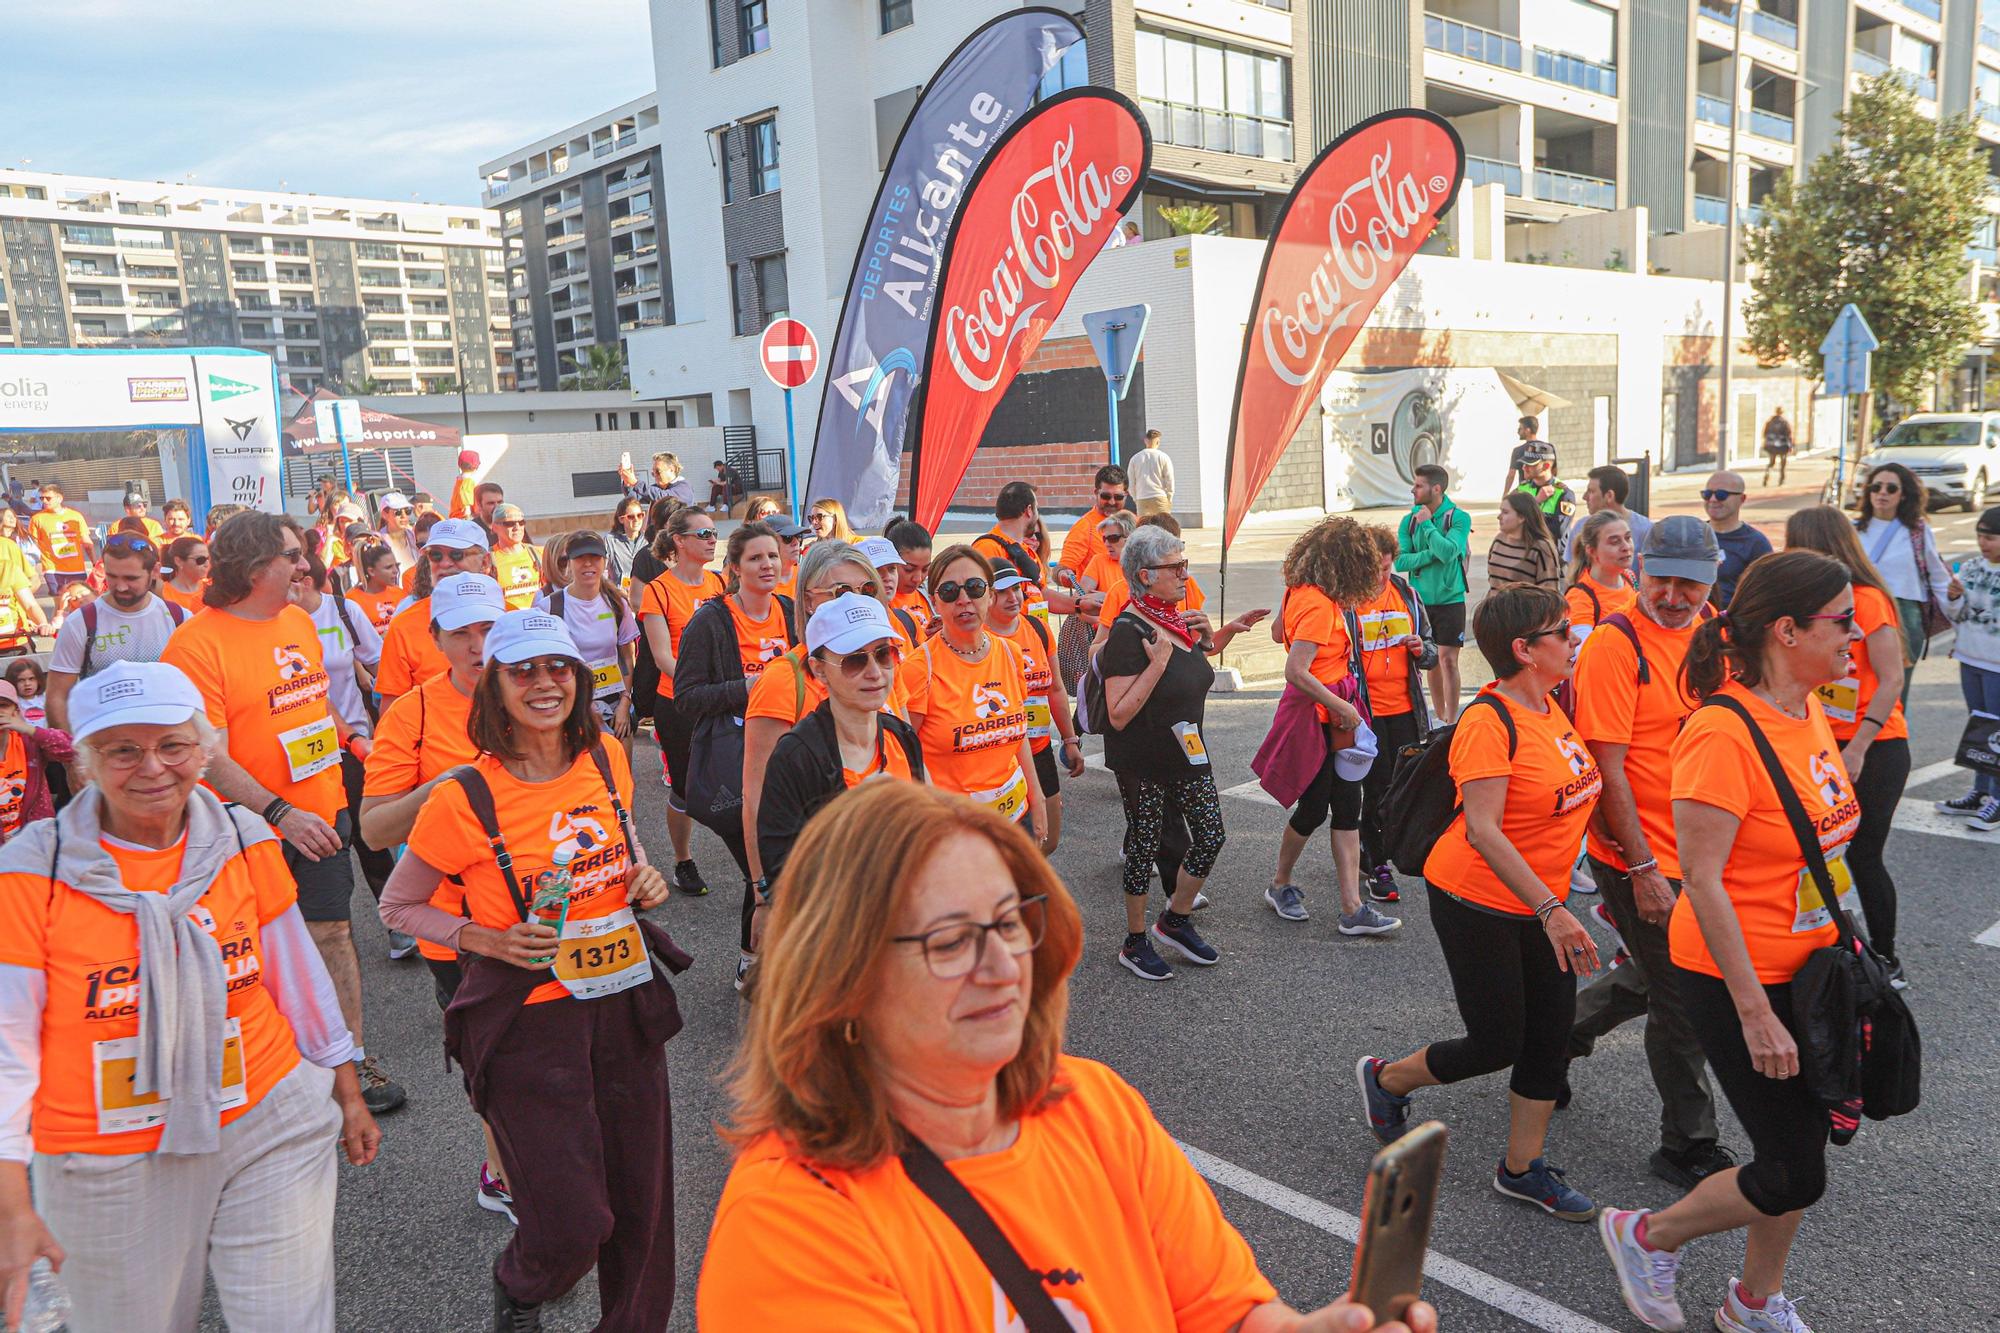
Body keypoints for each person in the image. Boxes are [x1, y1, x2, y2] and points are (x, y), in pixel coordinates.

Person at [699, 780, 1439, 1333]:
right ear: (843, 980)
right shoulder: (791, 1224)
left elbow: (1228, 1310)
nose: (1000, 965)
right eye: (950, 941)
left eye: (1010, 919)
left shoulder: (1093, 1107)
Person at [0, 661, 381, 1331]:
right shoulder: (33, 869)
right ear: (85, 762)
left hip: (266, 1118)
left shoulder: (240, 835)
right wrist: (12, 1204)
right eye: (124, 749)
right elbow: (9, 1047)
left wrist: (346, 1092)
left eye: (173, 745)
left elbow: (296, 976)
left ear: (204, 752)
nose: (153, 767)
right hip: (106, 1150)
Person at [378, 610, 681, 1330]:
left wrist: (645, 875)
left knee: (644, 1202)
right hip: (528, 1020)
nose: (546, 683)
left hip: (622, 997)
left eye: (559, 668)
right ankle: (523, 1283)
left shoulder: (607, 754)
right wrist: (480, 937)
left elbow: (622, 837)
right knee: (573, 1221)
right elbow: (398, 904)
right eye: (525, 670)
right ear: (496, 687)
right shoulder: (463, 795)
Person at [1597, 551, 1865, 1333]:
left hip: (1811, 967)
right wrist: (1753, 1010)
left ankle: (1752, 1301)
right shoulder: (1722, 731)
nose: (1856, 635)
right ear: (1787, 630)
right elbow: (1703, 881)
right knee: (1791, 1167)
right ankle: (1645, 1234)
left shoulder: (1807, 706)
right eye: (1842, 621)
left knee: (1801, 1148)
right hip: (1734, 976)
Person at [1357, 586, 1605, 1224]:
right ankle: (1387, 1080)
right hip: (1477, 899)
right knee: (1497, 1041)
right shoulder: (1489, 722)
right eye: (1562, 632)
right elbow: (1484, 831)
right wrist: (1554, 908)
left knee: (1549, 1037)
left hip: (1540, 901)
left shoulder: (1551, 706)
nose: (1573, 640)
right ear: (1524, 650)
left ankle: (1522, 1169)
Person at [161, 512, 406, 1117]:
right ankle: (258, 1068)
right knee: (249, 951)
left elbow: (312, 702)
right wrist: (279, 811)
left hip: (322, 813)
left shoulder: (297, 619)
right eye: (293, 556)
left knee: (332, 932)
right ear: (252, 568)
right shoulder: (195, 644)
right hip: (246, 830)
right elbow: (206, 755)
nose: (305, 566)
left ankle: (350, 1056)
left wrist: (353, 741)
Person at [1566, 516, 1737, 1190]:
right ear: (1637, 568)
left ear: (1711, 579)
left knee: (1660, 976)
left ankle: (1553, 1039)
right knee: (1685, 1000)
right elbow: (1608, 770)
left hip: (1705, 849)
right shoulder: (1616, 645)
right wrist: (1640, 870)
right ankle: (1688, 1144)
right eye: (1660, 577)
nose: (1673, 593)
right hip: (1641, 853)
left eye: (1688, 582)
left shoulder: (1716, 631)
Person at [357, 573, 516, 1220]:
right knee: (496, 1060)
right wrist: (450, 786)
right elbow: (373, 827)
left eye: (489, 628)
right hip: (455, 923)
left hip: (547, 911)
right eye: (463, 633)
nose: (480, 645)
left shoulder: (540, 688)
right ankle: (503, 1171)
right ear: (437, 639)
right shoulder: (413, 713)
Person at [1784, 505, 1911, 985]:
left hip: (1876, 745)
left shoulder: (1867, 600)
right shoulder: (1811, 604)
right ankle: (1829, 944)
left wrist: (1857, 746)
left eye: (1797, 544)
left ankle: (1886, 956)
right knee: (1816, 852)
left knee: (1862, 853)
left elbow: (1892, 678)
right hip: (1819, 741)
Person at [1098, 524, 1231, 980]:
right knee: (1144, 844)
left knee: (1211, 835)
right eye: (1173, 567)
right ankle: (1134, 942)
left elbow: (1194, 678)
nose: (1183, 573)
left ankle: (1174, 919)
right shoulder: (1127, 631)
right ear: (1144, 575)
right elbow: (1116, 714)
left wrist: (1209, 640)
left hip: (1187, 749)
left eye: (1184, 564)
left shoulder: (1181, 620)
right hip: (1143, 756)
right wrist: (1155, 665)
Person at [742, 540, 907, 904]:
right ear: (808, 600)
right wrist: (762, 893)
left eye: (867, 589)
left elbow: (907, 756)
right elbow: (757, 801)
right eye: (841, 591)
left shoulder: (884, 666)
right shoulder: (783, 680)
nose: (855, 600)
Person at [674, 521, 797, 988]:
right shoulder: (711, 621)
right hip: (737, 762)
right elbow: (685, 697)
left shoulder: (789, 610)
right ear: (734, 568)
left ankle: (782, 957)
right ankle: (751, 959)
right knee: (763, 866)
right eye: (755, 558)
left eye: (773, 556)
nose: (767, 565)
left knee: (789, 864)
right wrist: (745, 688)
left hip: (791, 758)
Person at [1269, 516, 1402, 935]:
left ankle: (1352, 908)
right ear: (1348, 563)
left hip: (1333, 713)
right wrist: (1341, 707)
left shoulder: (1303, 592)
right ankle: (1279, 884)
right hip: (1319, 715)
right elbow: (1295, 669)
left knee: (1348, 807)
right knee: (1311, 808)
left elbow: (1277, 634)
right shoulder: (1319, 603)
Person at [905, 546, 1045, 846]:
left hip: (1015, 818)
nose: (964, 599)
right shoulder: (919, 668)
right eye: (949, 591)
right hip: (954, 829)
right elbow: (904, 756)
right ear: (935, 602)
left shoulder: (1010, 652)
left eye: (974, 587)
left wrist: (1038, 796)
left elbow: (1019, 736)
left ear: (990, 596)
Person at [291, 548, 393, 925]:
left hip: (354, 741)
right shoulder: (275, 623)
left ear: (308, 581)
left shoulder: (342, 610)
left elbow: (379, 663)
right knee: (322, 837)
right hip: (302, 748)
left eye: (298, 582)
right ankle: (326, 922)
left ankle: (393, 919)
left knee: (367, 834)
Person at [638, 505, 726, 895]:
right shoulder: (658, 590)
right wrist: (702, 685)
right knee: (685, 790)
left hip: (718, 701)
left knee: (737, 779)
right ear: (679, 541)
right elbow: (661, 657)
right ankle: (682, 860)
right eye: (703, 534)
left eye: (713, 534)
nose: (712, 540)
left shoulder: (718, 584)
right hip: (677, 704)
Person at [1355, 526, 1434, 904]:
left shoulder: (1406, 593)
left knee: (1399, 788)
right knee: (1375, 788)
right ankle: (1377, 864)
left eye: (1386, 569)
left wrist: (1422, 649)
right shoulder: (1348, 599)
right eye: (1374, 569)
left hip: (1405, 709)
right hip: (1366, 712)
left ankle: (1370, 851)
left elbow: (1432, 653)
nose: (1380, 577)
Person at [983, 558, 1083, 854]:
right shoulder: (981, 640)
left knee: (1048, 840)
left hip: (1039, 748)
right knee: (1012, 845)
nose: (1013, 597)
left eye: (1017, 588)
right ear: (987, 596)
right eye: (1003, 591)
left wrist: (1070, 739)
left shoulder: (1037, 629)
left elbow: (1054, 688)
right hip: (1001, 756)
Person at [46, 533, 188, 738]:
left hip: (165, 745)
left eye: (131, 578)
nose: (121, 587)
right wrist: (71, 757)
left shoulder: (179, 617)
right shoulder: (81, 622)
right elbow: (57, 696)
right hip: (104, 747)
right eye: (112, 577)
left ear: (155, 571)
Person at [1852, 460, 1957, 699]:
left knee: (1895, 688)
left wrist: (1954, 605)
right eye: (1876, 487)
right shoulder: (1853, 529)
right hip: (1860, 613)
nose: (1881, 493)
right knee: (1857, 682)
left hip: (1905, 615)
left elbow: (1938, 576)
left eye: (1891, 488)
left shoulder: (1917, 531)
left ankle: (1894, 734)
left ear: (1904, 495)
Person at [536, 530, 639, 752]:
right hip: (571, 707)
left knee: (621, 780)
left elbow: (627, 658)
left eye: (595, 558)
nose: (588, 564)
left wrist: (625, 702)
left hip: (614, 704)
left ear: (605, 561)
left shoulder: (616, 603)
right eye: (581, 558)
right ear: (569, 563)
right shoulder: (549, 608)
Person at [376, 519, 492, 708]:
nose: (445, 564)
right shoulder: (404, 626)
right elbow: (392, 712)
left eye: (457, 554)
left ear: (485, 561)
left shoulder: (509, 617)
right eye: (435, 555)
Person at [1940, 505, 2000, 828]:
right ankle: (1980, 792)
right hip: (1970, 657)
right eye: (1979, 536)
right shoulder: (1972, 567)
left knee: (1997, 733)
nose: (1982, 542)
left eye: (1990, 537)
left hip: (1997, 665)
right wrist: (1953, 598)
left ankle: (1998, 800)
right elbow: (1955, 614)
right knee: (1979, 729)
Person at [1397, 463, 1470, 725]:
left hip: (1451, 600)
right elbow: (1401, 562)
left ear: (1436, 488)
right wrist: (1433, 555)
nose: (1413, 489)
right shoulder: (1408, 521)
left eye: (1418, 485)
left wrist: (1428, 527)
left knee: (1448, 660)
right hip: (1420, 602)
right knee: (1432, 660)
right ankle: (1439, 718)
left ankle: (1452, 720)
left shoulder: (1459, 518)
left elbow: (1450, 552)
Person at [0, 679, 70, 841]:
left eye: (3, 705)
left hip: (36, 838)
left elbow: (72, 750)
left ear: (16, 712)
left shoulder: (28, 742)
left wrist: (31, 730)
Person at [1703, 470, 1771, 610]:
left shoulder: (1756, 543)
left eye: (1721, 495)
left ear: (1742, 499)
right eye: (1707, 494)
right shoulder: (1693, 536)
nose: (1713, 500)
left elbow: (1764, 594)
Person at [1565, 510, 1638, 642]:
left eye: (1628, 538)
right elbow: (1583, 652)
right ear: (1592, 551)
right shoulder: (1580, 597)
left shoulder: (1629, 577)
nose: (1626, 547)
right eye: (1615, 542)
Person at [1057, 464, 1129, 593]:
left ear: (1126, 494)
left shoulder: (1136, 522)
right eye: (1106, 496)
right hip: (1097, 608)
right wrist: (1063, 574)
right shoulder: (1084, 527)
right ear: (1096, 493)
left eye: (1118, 497)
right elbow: (1062, 569)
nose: (1112, 502)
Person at [1566, 465, 1654, 565]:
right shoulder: (1581, 526)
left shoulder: (1645, 530)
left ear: (1609, 496)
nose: (1584, 497)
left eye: (1591, 491)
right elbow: (1570, 568)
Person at [1487, 491, 1562, 593]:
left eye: (1505, 512)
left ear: (1522, 517)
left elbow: (1550, 592)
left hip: (1525, 608)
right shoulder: (1499, 540)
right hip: (1494, 608)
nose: (1499, 517)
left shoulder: (1542, 547)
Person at [30, 482, 93, 599]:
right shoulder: (37, 519)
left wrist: (95, 562)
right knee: (59, 601)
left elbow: (86, 542)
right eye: (41, 498)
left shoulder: (76, 516)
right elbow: (33, 545)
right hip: (52, 569)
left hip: (76, 568)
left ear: (59, 498)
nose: (44, 501)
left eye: (48, 498)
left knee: (80, 600)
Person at [1514, 441, 1577, 550]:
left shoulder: (1564, 494)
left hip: (1553, 559)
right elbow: (1510, 523)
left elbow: (1557, 531)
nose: (1524, 467)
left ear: (1546, 466)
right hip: (1525, 555)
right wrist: (1535, 502)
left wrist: (1524, 516)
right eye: (1524, 463)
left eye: (1530, 464)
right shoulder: (1521, 489)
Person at [0, 509, 48, 644]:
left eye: (14, 516)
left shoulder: (9, 547)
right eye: (8, 517)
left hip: (14, 639)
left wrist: (16, 599)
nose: (12, 520)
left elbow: (34, 580)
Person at [489, 504, 543, 611]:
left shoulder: (539, 553)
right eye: (509, 523)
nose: (517, 527)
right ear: (494, 527)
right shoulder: (488, 559)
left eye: (521, 522)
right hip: (508, 623)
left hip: (537, 620)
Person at [885, 516, 935, 625]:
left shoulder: (930, 594)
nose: (918, 578)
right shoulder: (879, 601)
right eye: (909, 569)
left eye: (925, 569)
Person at [345, 541, 404, 632]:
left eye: (396, 566)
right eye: (388, 567)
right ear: (371, 571)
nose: (395, 571)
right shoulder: (352, 599)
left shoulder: (400, 593)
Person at [1127, 428, 1176, 517]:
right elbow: (1170, 479)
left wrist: (1135, 498)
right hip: (1159, 496)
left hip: (1142, 498)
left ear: (1145, 441)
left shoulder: (1135, 458)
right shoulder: (1163, 457)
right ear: (1158, 442)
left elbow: (1131, 482)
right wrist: (1169, 497)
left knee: (1144, 527)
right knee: (1164, 527)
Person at [620, 449, 695, 506]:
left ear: (672, 469)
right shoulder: (658, 489)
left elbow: (664, 498)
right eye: (653, 473)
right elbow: (634, 498)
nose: (655, 476)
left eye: (658, 472)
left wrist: (635, 482)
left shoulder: (684, 488)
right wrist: (627, 482)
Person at [604, 495, 647, 591]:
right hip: (619, 597)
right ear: (621, 519)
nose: (636, 520)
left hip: (644, 596)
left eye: (640, 515)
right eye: (631, 517)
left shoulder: (648, 541)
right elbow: (602, 571)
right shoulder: (610, 541)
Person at [160, 534, 210, 615]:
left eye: (208, 558)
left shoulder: (210, 588)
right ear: (178, 561)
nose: (207, 564)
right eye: (200, 560)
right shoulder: (163, 593)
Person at [373, 490, 419, 574]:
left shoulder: (415, 537)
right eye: (398, 512)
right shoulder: (377, 541)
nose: (404, 516)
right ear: (384, 514)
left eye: (407, 511)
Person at [1501, 414, 1545, 494]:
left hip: (1525, 493)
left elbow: (1511, 475)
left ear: (1527, 430)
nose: (1518, 432)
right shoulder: (1547, 448)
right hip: (1543, 491)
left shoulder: (1518, 451)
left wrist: (1505, 494)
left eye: (1520, 429)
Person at [1760, 408, 1794, 486]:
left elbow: (1765, 434)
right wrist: (1791, 446)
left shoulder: (1769, 422)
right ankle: (1781, 480)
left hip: (1772, 445)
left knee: (1771, 462)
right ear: (1782, 413)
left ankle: (1767, 476)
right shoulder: (1785, 423)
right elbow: (1788, 435)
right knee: (1783, 463)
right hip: (1782, 445)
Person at [449, 449, 480, 519]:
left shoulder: (459, 480)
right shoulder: (468, 481)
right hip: (465, 517)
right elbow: (466, 499)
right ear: (476, 466)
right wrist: (468, 516)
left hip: (456, 516)